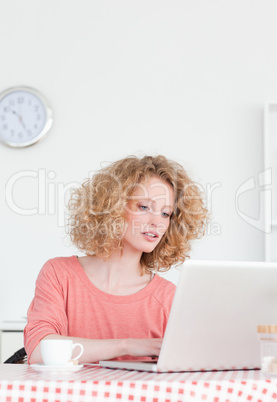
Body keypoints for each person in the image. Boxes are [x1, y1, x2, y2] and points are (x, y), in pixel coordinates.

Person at [24, 155, 208, 364]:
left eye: (166, 213)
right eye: (144, 207)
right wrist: (127, 345)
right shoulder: (60, 273)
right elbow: (40, 352)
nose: (157, 221)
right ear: (111, 207)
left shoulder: (168, 298)